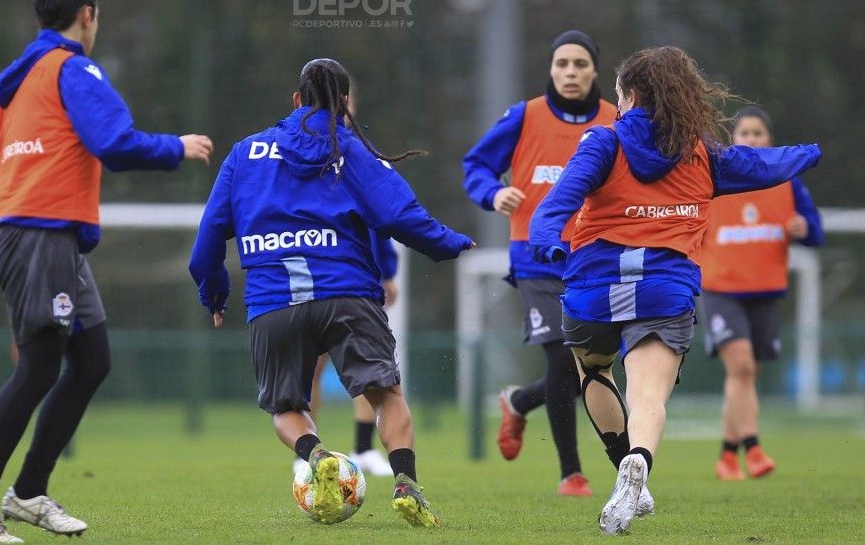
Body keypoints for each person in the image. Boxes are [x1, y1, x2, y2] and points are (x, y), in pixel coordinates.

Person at [0, 0, 213, 542]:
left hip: (45, 233)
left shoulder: (10, 81)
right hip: (39, 233)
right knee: (40, 365)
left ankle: (30, 492)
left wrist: (17, 181)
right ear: (87, 15)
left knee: (92, 360)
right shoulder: (74, 68)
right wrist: (178, 147)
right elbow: (113, 142)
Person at [529, 46, 821, 535]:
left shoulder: (603, 142)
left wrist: (548, 244)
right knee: (649, 396)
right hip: (665, 287)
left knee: (594, 370)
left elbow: (557, 203)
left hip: (596, 285)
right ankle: (638, 465)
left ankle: (622, 464)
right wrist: (812, 152)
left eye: (620, 95)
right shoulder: (702, 152)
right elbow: (765, 165)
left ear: (633, 94)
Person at [189, 58, 473, 527]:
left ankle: (316, 454)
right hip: (347, 294)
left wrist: (214, 293)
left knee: (286, 408)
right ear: (344, 103)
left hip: (273, 302)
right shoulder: (352, 149)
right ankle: (406, 484)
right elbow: (398, 215)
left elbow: (207, 243)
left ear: (296, 100)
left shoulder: (245, 152)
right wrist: (449, 243)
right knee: (387, 395)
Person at [462, 30, 615, 496]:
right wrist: (493, 192)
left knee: (584, 366)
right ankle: (571, 473)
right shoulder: (523, 116)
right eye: (562, 63)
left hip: (592, 259)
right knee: (560, 357)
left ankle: (520, 400)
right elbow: (476, 166)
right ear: (551, 69)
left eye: (580, 64)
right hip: (534, 258)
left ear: (594, 71)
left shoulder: (615, 121)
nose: (570, 72)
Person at [700, 106, 823, 481]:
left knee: (745, 375)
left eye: (758, 133)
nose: (751, 140)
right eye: (744, 134)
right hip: (720, 289)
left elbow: (815, 233)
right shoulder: (714, 179)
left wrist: (805, 228)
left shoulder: (789, 184)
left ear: (770, 141)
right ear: (732, 140)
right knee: (740, 366)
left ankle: (726, 455)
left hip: (765, 289)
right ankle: (753, 449)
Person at [299, 232, 399, 477]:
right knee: (311, 368)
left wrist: (386, 271)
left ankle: (363, 449)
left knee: (366, 371)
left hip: (357, 284)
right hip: (310, 281)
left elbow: (378, 222)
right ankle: (307, 452)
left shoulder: (355, 192)